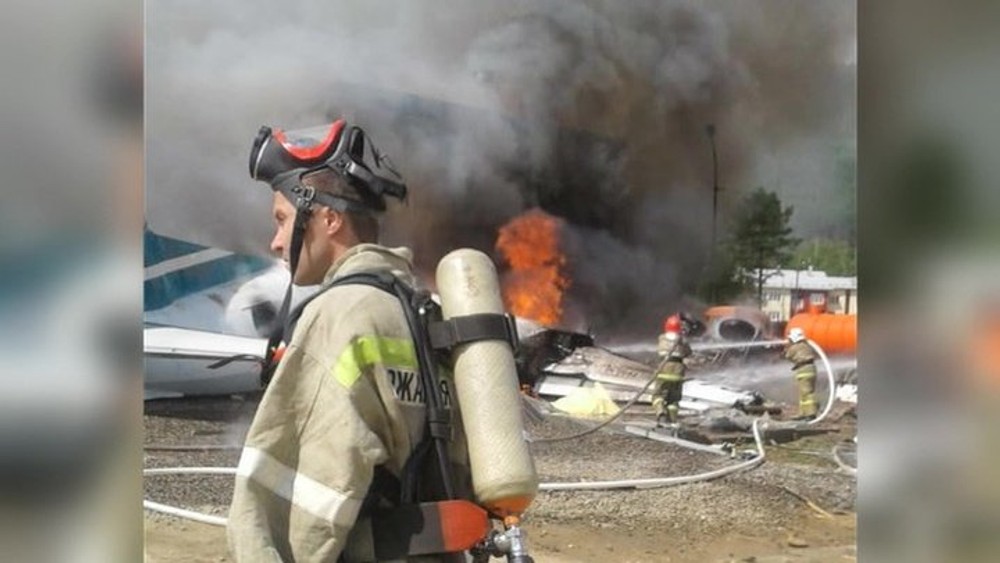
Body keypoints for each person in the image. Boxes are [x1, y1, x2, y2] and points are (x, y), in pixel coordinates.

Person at [227, 119, 472, 562]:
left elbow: (305, 500)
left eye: (282, 220)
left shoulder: (341, 315)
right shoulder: (424, 314)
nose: (276, 242)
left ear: (329, 218)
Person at [653, 315, 692, 427]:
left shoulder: (661, 338)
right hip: (678, 372)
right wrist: (684, 335)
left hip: (663, 369)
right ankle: (672, 421)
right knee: (674, 399)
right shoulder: (682, 341)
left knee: (658, 395)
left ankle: (660, 413)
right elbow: (688, 352)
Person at [783, 327, 818, 420]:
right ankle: (803, 413)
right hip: (811, 369)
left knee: (806, 392)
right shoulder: (807, 345)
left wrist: (786, 348)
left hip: (803, 370)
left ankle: (811, 413)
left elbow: (788, 356)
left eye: (790, 338)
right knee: (804, 393)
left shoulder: (795, 347)